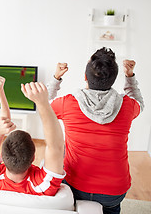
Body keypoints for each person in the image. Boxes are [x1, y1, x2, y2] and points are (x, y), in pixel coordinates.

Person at [47, 47, 144, 214]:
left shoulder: (68, 103)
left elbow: (44, 104)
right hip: (114, 191)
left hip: (75, 186)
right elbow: (139, 102)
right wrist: (130, 77)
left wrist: (56, 78)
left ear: (85, 77)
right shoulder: (127, 106)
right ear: (113, 79)